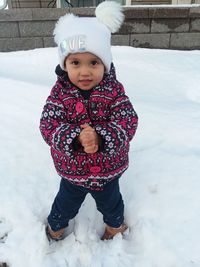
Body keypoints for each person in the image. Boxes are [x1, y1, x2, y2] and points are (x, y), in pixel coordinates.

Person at [39, 1, 138, 242]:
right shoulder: (59, 93)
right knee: (65, 203)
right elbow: (47, 125)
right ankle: (56, 227)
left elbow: (128, 119)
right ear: (65, 64)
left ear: (105, 63)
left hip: (108, 169)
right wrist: (75, 137)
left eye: (93, 62)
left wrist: (101, 136)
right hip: (72, 171)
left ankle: (115, 227)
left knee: (112, 203)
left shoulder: (113, 90)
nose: (85, 71)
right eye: (76, 63)